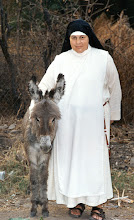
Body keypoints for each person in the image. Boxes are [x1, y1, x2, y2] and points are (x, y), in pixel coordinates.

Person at [39, 19, 122, 220]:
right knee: (72, 161)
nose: (78, 42)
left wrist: (113, 116)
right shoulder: (61, 59)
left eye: (82, 38)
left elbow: (115, 87)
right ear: (69, 39)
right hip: (68, 122)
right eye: (74, 38)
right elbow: (44, 85)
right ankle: (76, 201)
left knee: (94, 161)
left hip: (95, 121)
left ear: (89, 38)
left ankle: (97, 205)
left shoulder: (103, 58)